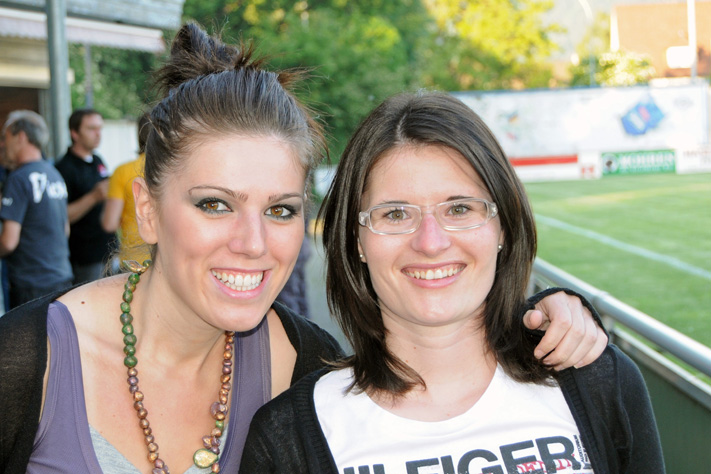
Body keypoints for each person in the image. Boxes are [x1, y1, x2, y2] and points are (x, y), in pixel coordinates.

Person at [0, 25, 605, 474]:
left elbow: (442, 351)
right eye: (215, 204)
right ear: (150, 210)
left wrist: (546, 314)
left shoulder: (309, 370)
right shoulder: (25, 363)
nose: (252, 243)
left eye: (280, 210)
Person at [240, 92, 663, 473]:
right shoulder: (290, 435)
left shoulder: (596, 382)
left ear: (502, 225)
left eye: (459, 209)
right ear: (357, 241)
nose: (431, 242)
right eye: (396, 214)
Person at [0, 110, 72, 309]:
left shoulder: (18, 178)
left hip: (30, 283)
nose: (3, 144)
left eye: (6, 137)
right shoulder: (54, 174)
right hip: (61, 278)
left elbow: (8, 242)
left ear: (21, 137)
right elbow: (65, 230)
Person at [55, 108, 114, 284]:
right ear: (74, 133)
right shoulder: (63, 168)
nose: (98, 134)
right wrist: (93, 197)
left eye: (100, 128)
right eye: (91, 128)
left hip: (108, 250)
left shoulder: (98, 160)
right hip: (85, 258)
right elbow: (60, 215)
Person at [101, 112, 151, 264]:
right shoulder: (178, 170)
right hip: (171, 261)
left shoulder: (122, 172)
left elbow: (109, 223)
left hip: (134, 262)